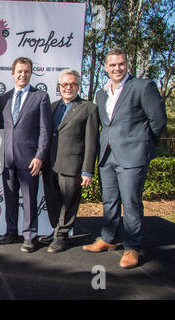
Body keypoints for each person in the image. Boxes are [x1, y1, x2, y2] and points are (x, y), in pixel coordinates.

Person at [83, 48, 167, 268]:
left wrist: (143, 146)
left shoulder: (142, 86)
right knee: (109, 200)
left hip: (133, 156)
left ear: (127, 64)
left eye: (121, 64)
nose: (117, 68)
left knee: (131, 202)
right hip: (107, 156)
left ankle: (132, 247)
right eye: (112, 65)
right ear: (105, 67)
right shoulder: (102, 93)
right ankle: (108, 238)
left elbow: (158, 120)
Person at [41, 69, 99, 253]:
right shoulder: (51, 106)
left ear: (78, 86)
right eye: (64, 84)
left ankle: (62, 236)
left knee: (69, 203)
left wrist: (87, 170)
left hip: (72, 165)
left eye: (72, 84)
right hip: (50, 163)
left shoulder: (89, 108)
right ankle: (56, 230)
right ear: (59, 86)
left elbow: (92, 141)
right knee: (52, 201)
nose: (68, 88)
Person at [0, 57, 52, 253]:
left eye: (26, 71)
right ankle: (11, 230)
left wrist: (40, 156)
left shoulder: (41, 97)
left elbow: (45, 130)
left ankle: (29, 235)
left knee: (29, 199)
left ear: (31, 73)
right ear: (12, 73)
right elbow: (1, 130)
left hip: (30, 159)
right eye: (19, 71)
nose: (23, 74)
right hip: (7, 159)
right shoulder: (4, 98)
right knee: (10, 197)